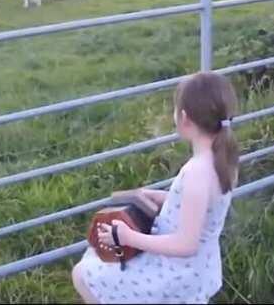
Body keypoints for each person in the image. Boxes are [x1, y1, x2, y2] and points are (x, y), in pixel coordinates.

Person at [72, 72, 239, 304]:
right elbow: (200, 207)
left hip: (175, 270)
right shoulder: (223, 159)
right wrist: (165, 198)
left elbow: (185, 244)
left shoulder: (196, 172)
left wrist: (129, 237)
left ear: (184, 117)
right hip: (201, 266)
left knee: (83, 274)